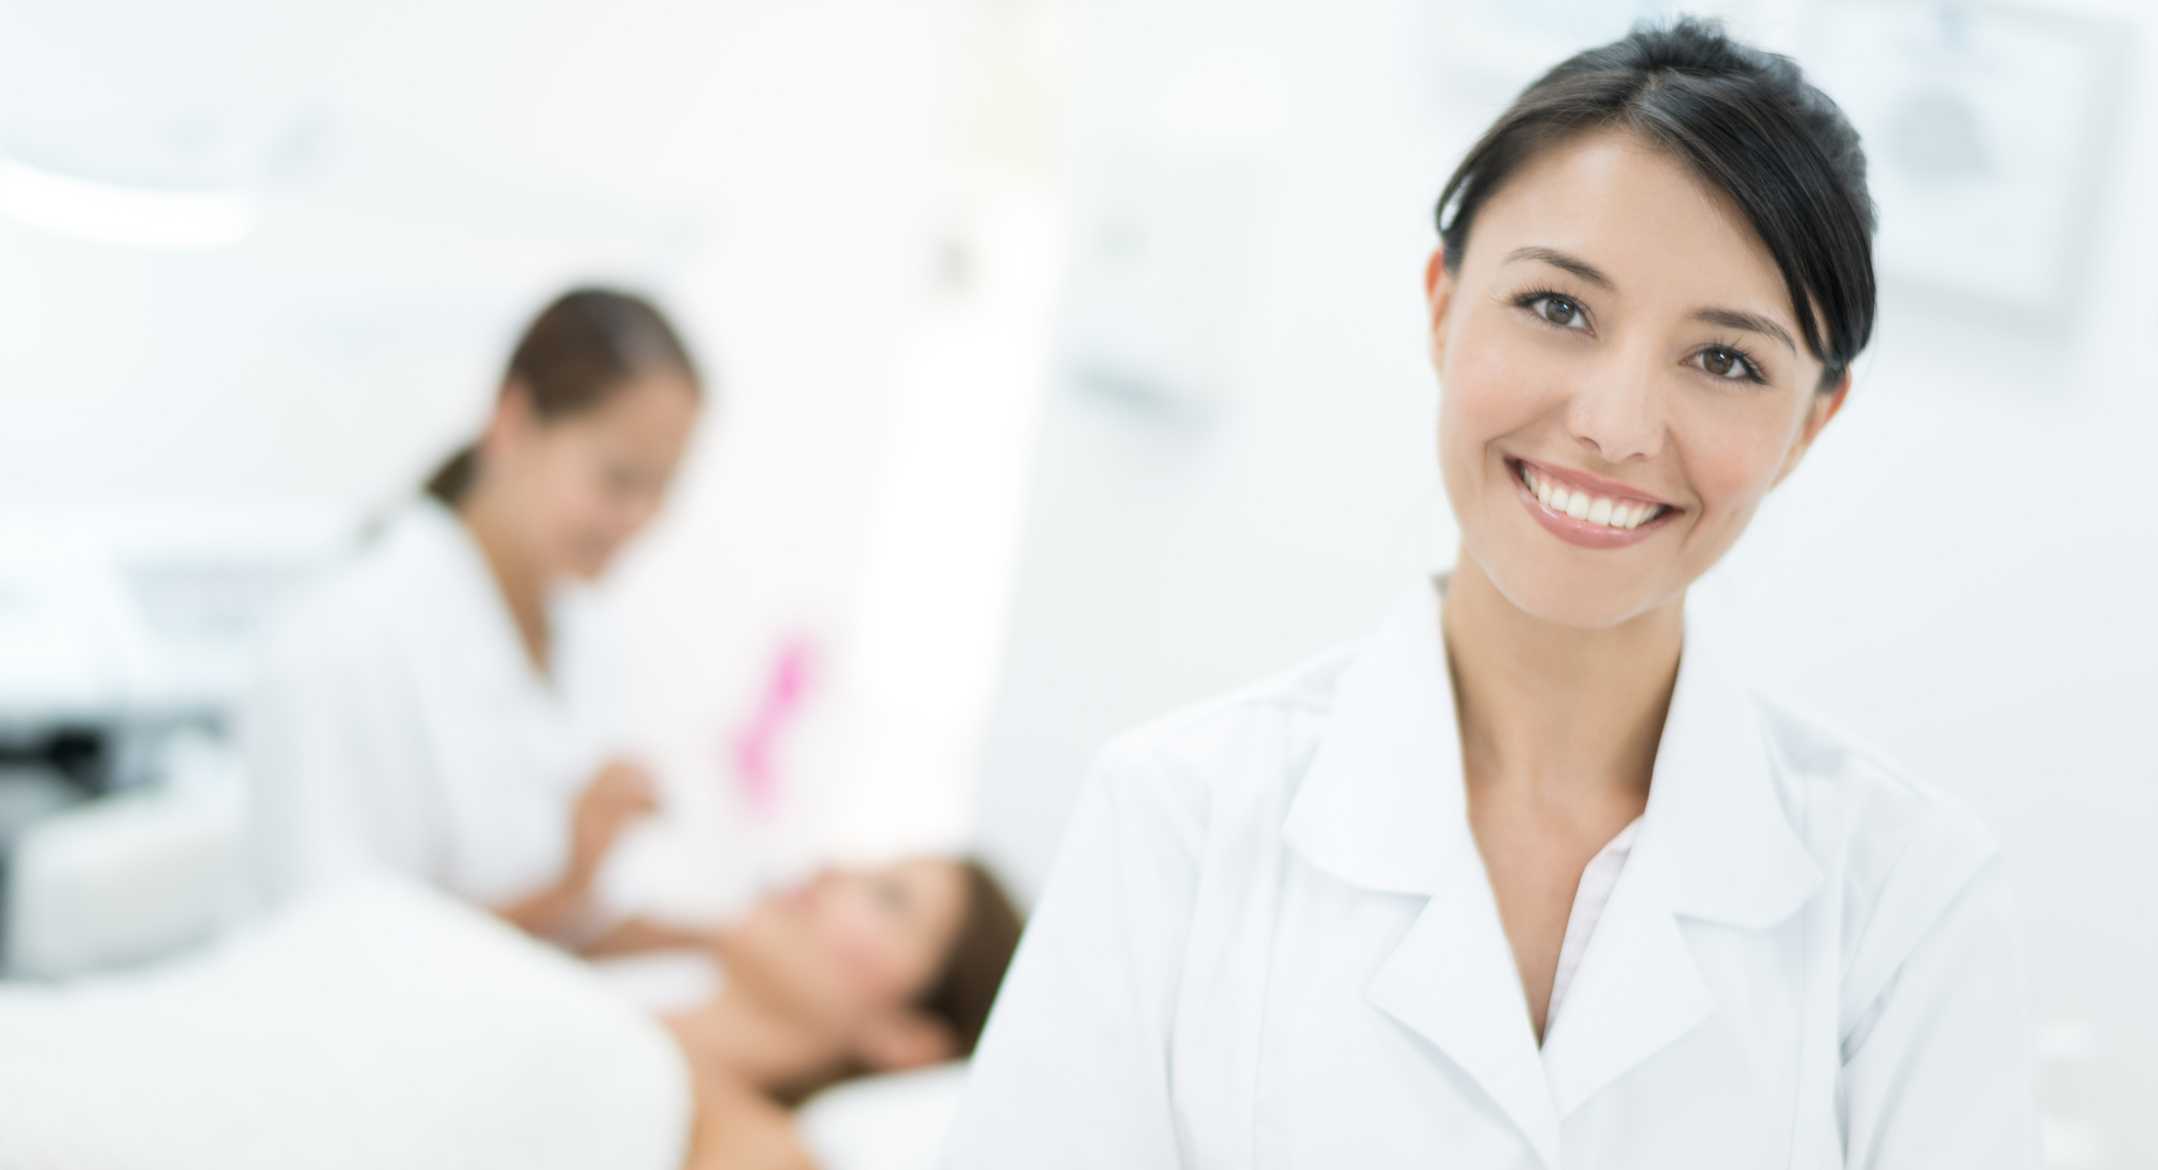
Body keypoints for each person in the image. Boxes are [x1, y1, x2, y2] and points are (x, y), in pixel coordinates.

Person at [945, 18, 2036, 1169]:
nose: (1614, 424)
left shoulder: (1909, 900)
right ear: (1440, 305)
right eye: (1558, 307)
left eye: (1725, 361)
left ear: (1810, 424)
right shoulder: (1177, 818)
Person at [247, 286, 703, 943]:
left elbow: (585, 923)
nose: (641, 522)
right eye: (619, 479)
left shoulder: (583, 632)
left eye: (663, 489)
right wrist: (569, 887)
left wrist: (732, 936)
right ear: (513, 422)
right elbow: (334, 961)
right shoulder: (347, 639)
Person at [663, 855, 1024, 1169]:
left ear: (907, 1038)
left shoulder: (756, 1155)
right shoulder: (631, 989)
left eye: (889, 897)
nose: (829, 871)